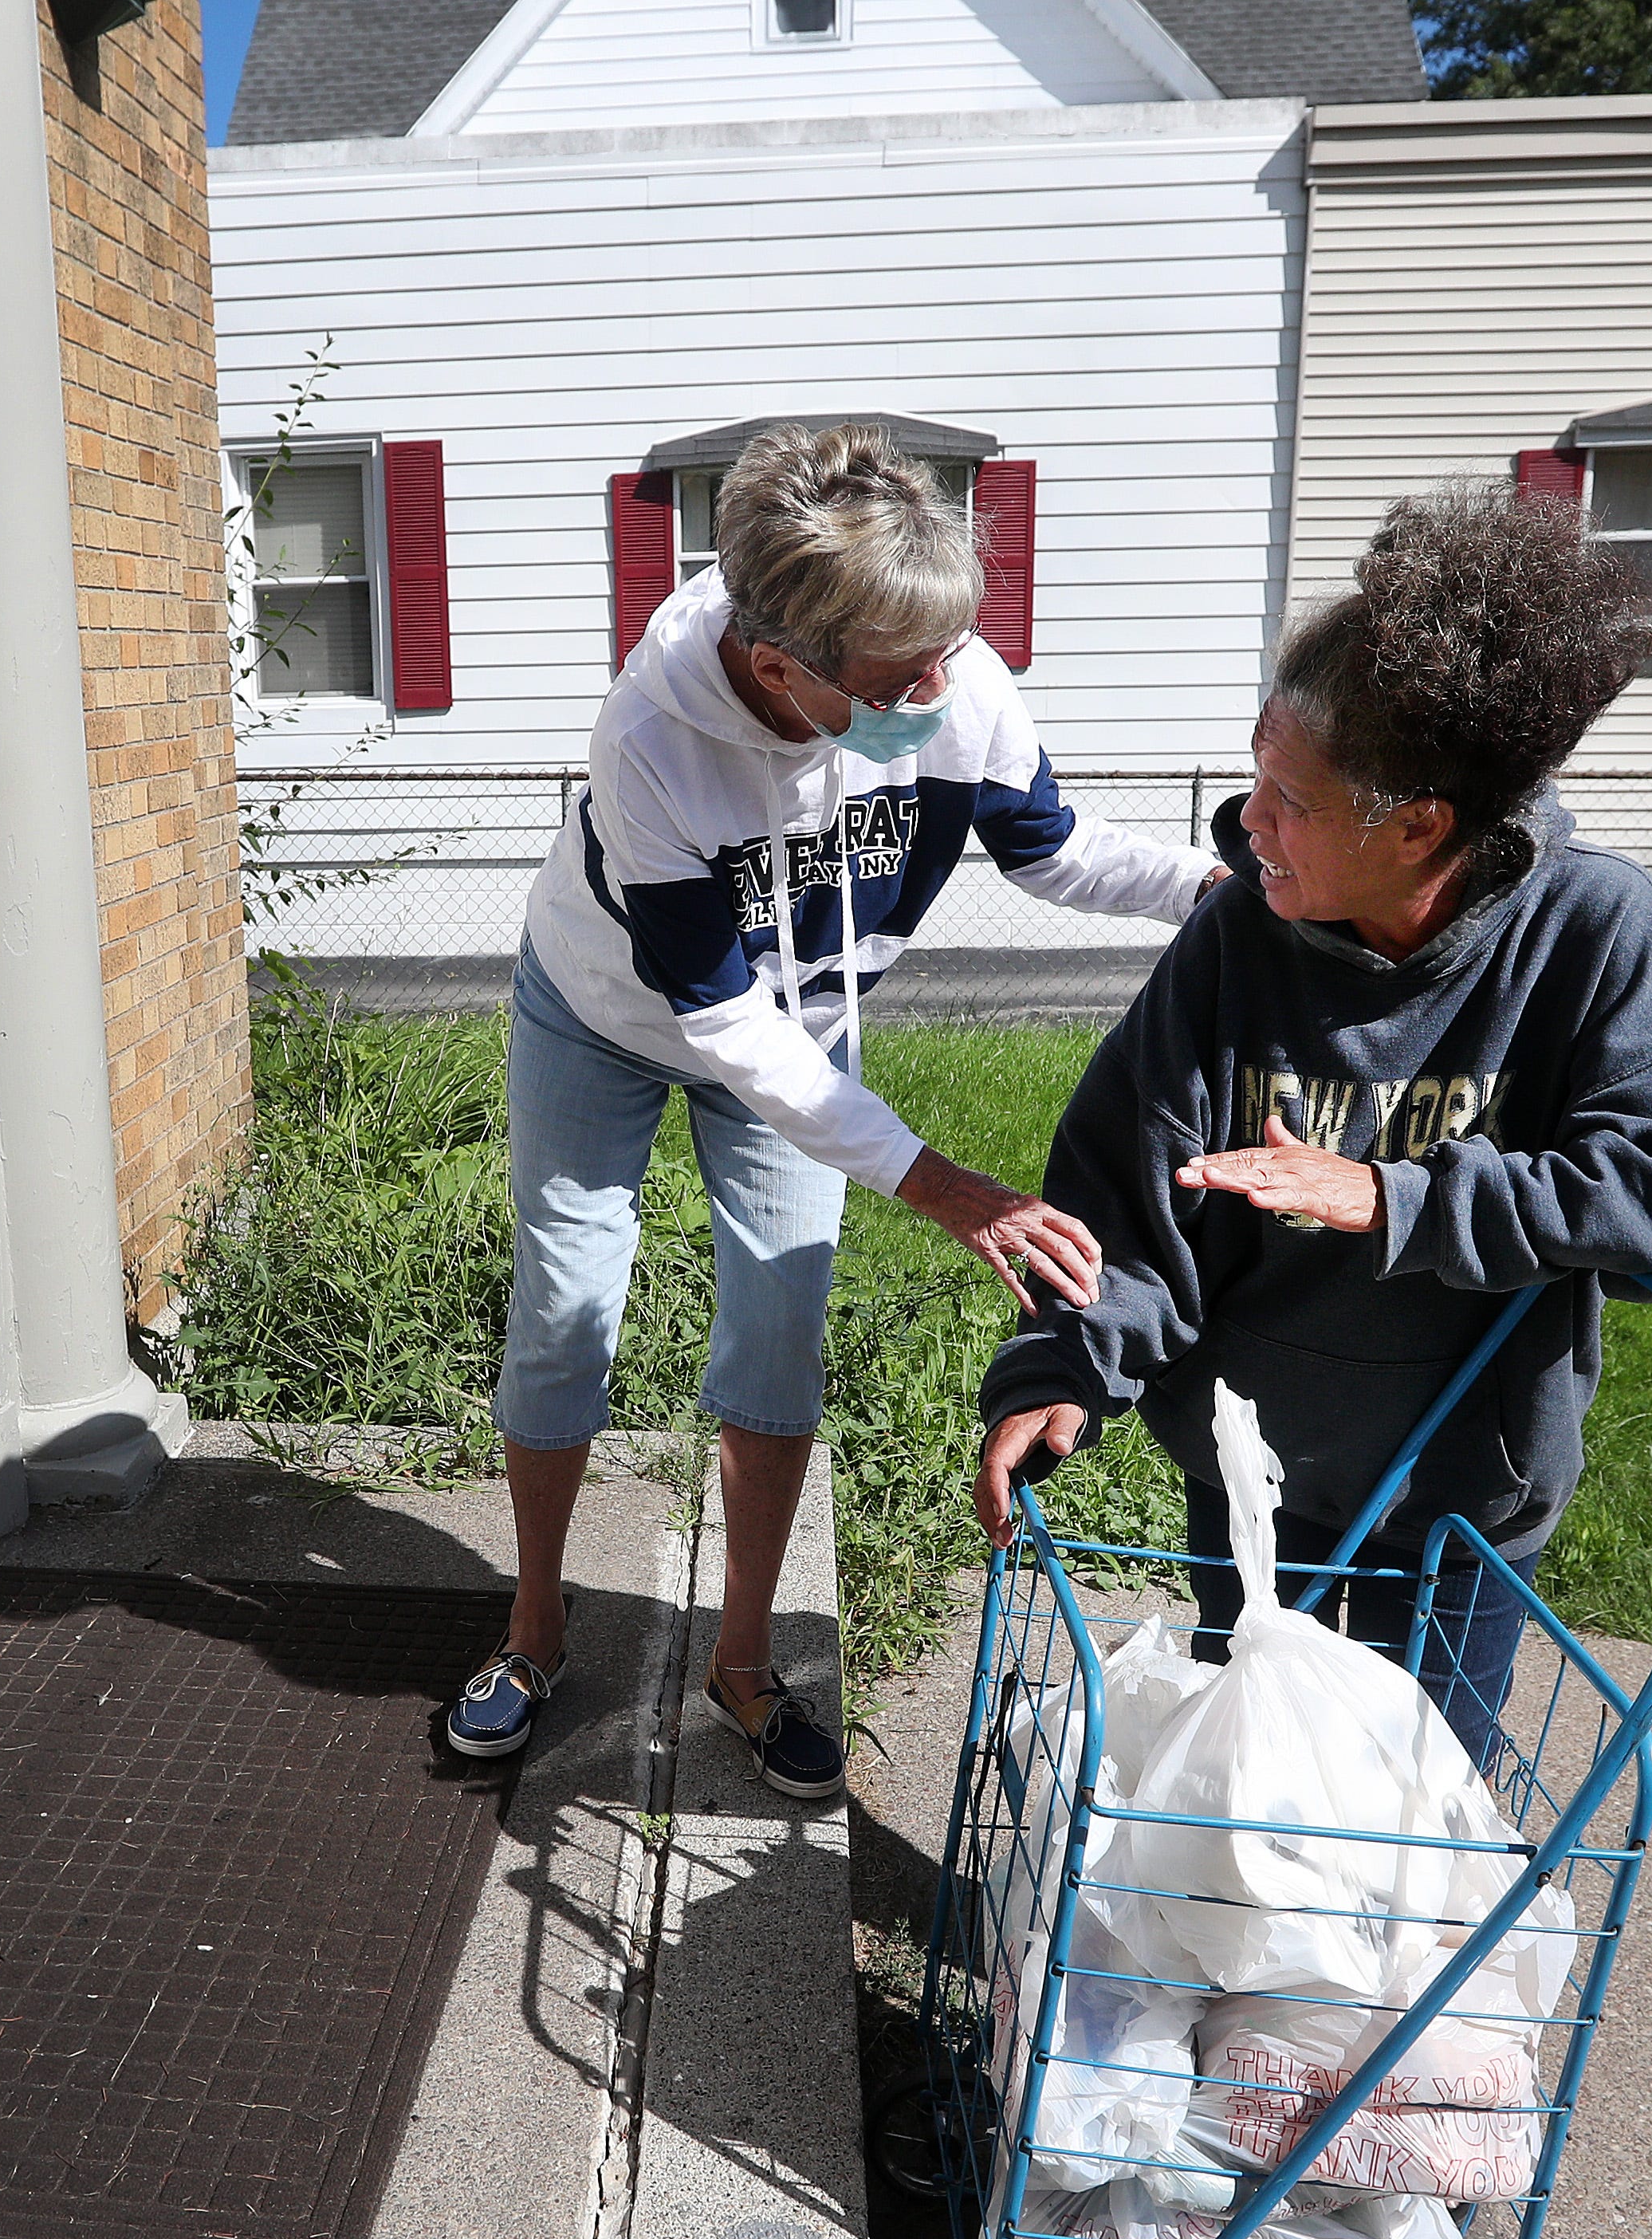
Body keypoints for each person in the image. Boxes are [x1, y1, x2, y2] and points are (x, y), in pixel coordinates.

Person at [447, 425, 1228, 1796]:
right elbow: (721, 1022)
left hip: (796, 1041)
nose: (943, 687)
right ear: (777, 668)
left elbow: (1052, 853)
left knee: (777, 1332)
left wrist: (1226, 892)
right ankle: (533, 1626)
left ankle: (740, 1661)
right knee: (566, 1305)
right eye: (900, 675)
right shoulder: (651, 742)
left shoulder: (949, 676)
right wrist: (939, 1185)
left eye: (949, 652)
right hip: (605, 1019)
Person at [971, 483, 1652, 1766]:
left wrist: (1396, 1198)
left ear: (1418, 826)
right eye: (1253, 779)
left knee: (1410, 1815)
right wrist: (1064, 1370)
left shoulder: (1590, 932)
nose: (1243, 824)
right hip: (1250, 1476)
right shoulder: (1235, 940)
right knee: (1243, 1794)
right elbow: (1129, 1199)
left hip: (1462, 1494)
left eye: (1286, 797)